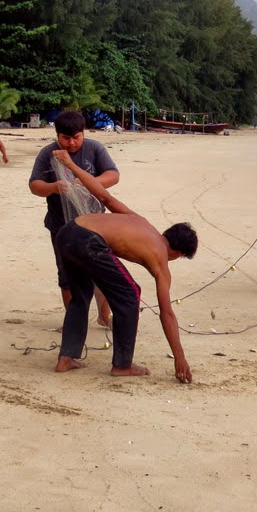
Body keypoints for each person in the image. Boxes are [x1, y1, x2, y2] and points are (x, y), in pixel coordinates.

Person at [50, 149, 197, 382]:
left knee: (81, 296)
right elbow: (166, 313)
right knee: (131, 293)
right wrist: (180, 356)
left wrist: (71, 165)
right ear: (178, 253)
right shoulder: (161, 258)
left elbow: (104, 196)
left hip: (67, 232)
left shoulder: (141, 222)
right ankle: (122, 365)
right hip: (88, 240)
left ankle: (66, 357)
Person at [29, 110, 119, 327]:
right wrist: (53, 187)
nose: (71, 143)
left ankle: (104, 316)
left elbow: (113, 175)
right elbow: (34, 186)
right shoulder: (47, 153)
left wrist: (88, 181)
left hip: (96, 224)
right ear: (57, 135)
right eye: (65, 138)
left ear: (83, 133)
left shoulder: (94, 148)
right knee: (67, 275)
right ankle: (74, 323)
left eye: (76, 137)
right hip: (61, 225)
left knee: (101, 271)